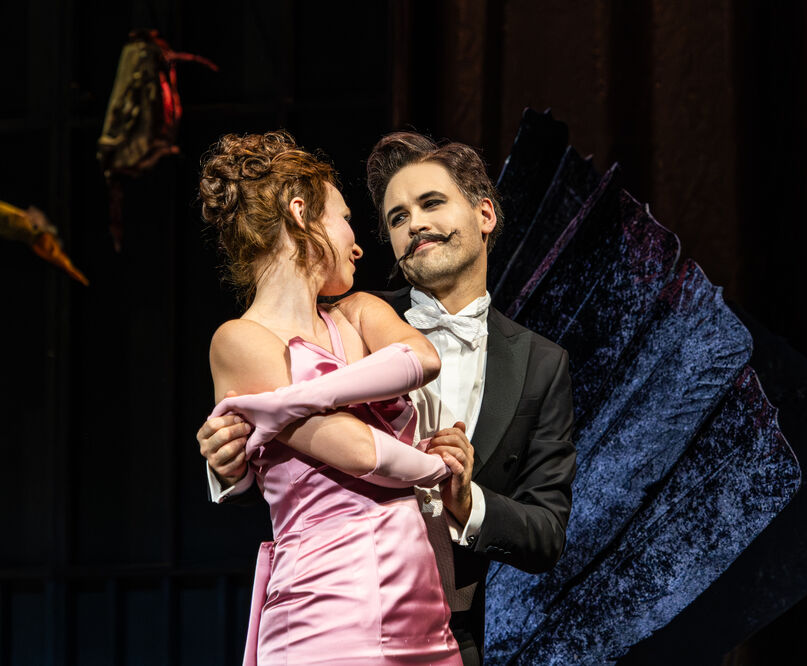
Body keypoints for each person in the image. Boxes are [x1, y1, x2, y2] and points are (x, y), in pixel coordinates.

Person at [200, 132, 577, 665]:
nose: (414, 223)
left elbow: (547, 532)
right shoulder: (349, 313)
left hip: (455, 631)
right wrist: (229, 462)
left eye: (431, 203)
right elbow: (295, 461)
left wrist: (466, 502)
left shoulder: (541, 364)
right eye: (397, 217)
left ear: (485, 214)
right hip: (335, 607)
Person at [198, 130, 464, 665]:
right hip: (327, 608)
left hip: (420, 606)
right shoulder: (238, 340)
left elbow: (422, 359)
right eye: (345, 219)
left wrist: (292, 400)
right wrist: (438, 468)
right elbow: (360, 452)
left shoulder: (358, 312)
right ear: (301, 214)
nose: (358, 245)